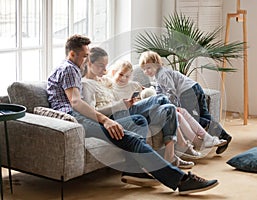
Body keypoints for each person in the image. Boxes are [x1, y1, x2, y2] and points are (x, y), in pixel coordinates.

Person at [46, 34, 219, 194]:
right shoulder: (69, 69)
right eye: (84, 55)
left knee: (137, 121)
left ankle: (132, 169)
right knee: (130, 137)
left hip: (79, 117)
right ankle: (181, 180)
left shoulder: (71, 68)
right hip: (74, 120)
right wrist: (106, 120)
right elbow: (76, 102)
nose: (86, 59)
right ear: (71, 54)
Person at [81, 49, 198, 169]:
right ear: (89, 63)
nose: (105, 70)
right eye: (101, 66)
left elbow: (122, 86)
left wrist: (135, 96)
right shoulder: (86, 84)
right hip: (114, 117)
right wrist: (120, 105)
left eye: (105, 66)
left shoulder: (104, 79)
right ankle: (182, 144)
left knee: (169, 109)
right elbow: (92, 113)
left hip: (124, 110)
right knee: (161, 98)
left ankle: (170, 155)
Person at [107, 60, 227, 157]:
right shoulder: (110, 87)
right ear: (113, 73)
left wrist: (142, 95)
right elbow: (115, 108)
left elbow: (145, 98)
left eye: (127, 76)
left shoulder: (134, 85)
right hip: (133, 115)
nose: (123, 78)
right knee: (172, 108)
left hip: (145, 110)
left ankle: (200, 140)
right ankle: (194, 142)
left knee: (178, 112)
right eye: (121, 74)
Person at [138, 50, 232, 154]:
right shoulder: (159, 74)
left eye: (148, 68)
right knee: (204, 115)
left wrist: (173, 105)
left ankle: (208, 139)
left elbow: (171, 91)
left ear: (157, 64)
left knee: (192, 118)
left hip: (187, 92)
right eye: (144, 69)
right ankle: (223, 135)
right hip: (195, 87)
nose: (146, 72)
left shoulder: (161, 74)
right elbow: (160, 91)